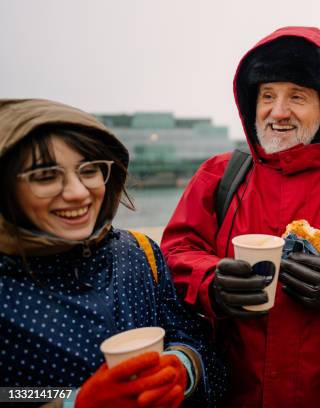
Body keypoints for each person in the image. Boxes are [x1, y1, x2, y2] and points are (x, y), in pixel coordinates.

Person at [161, 26, 320, 407]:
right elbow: (176, 252)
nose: (278, 111)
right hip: (232, 395)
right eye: (267, 96)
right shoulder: (219, 174)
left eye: (297, 96)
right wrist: (211, 282)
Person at [0, 99, 225, 407]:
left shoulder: (139, 252)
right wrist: (73, 402)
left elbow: (193, 340)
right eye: (46, 176)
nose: (78, 191)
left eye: (89, 170)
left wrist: (182, 367)